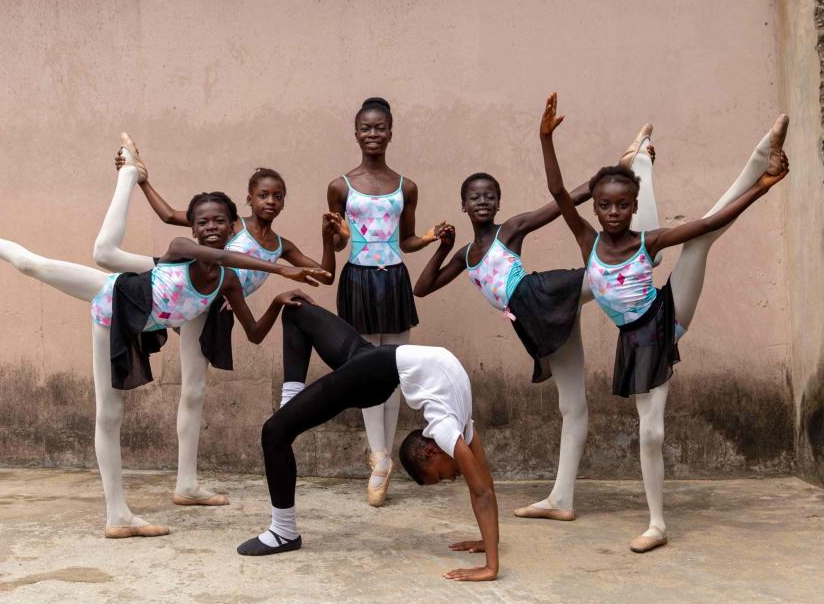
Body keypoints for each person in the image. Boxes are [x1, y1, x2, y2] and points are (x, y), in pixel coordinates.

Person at [0, 148, 326, 538]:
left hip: (163, 318)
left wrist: (276, 299)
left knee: (194, 390)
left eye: (220, 221)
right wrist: (280, 271)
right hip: (116, 303)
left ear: (231, 223)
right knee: (35, 268)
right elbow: (214, 254)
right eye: (203, 222)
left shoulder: (229, 281)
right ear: (193, 228)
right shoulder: (183, 248)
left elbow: (254, 333)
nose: (211, 228)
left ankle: (186, 485)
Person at [542, 92, 789, 552]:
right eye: (605, 206)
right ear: (595, 208)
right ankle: (641, 160)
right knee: (650, 431)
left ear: (631, 209)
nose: (613, 213)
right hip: (635, 342)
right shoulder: (587, 242)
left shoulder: (646, 238)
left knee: (701, 239)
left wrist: (764, 187)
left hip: (667, 315)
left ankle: (760, 156)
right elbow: (558, 194)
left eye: (621, 206)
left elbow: (709, 222)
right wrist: (545, 139)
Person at [413, 113, 663, 522]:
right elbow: (422, 288)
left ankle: (641, 180)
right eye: (474, 197)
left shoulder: (508, 230)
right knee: (572, 404)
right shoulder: (464, 256)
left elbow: (563, 201)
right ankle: (561, 499)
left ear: (499, 203)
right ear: (462, 205)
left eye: (490, 195)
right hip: (533, 320)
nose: (482, 201)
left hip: (542, 295)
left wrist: (619, 172)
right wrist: (443, 247)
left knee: (610, 270)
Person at [100, 135, 344, 505]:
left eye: (278, 196)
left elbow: (324, 275)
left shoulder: (281, 246)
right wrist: (144, 180)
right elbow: (170, 217)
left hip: (210, 308)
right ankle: (128, 174)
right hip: (182, 281)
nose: (271, 202)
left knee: (194, 391)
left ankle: (186, 484)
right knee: (111, 261)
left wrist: (331, 241)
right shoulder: (231, 225)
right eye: (263, 195)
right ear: (249, 199)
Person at [237, 303, 499, 582]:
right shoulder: (450, 429)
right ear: (431, 451)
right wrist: (491, 566)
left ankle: (283, 531)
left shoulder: (455, 426)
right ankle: (290, 407)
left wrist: (489, 548)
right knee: (295, 311)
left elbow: (483, 486)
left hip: (375, 370)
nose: (453, 478)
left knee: (274, 433)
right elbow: (483, 490)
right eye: (442, 476)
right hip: (370, 370)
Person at [326, 97, 445, 506]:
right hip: (357, 278)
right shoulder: (340, 186)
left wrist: (428, 238)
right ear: (355, 132)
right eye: (365, 128)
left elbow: (406, 241)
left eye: (380, 128)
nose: (372, 134)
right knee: (364, 370)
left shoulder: (405, 186)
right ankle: (378, 457)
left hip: (393, 278)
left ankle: (385, 456)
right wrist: (336, 233)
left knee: (394, 369)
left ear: (390, 132)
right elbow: (341, 241)